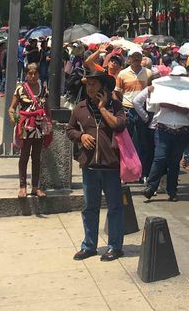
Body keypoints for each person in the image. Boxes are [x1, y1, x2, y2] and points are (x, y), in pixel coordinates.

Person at [67, 71, 127, 262]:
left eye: (93, 84)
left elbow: (119, 125)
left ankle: (115, 246)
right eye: (88, 85)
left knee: (115, 208)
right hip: (90, 166)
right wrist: (81, 136)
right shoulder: (80, 107)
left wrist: (103, 109)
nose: (89, 88)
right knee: (90, 207)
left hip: (111, 166)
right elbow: (69, 129)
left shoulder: (116, 106)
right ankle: (89, 245)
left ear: (103, 87)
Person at [139, 65, 189, 202]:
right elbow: (152, 106)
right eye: (175, 77)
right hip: (164, 128)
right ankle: (150, 187)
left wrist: (168, 104)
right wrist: (153, 94)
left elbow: (188, 109)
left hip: (183, 129)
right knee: (160, 158)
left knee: (174, 161)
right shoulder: (162, 89)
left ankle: (172, 190)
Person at [9, 63, 51, 198]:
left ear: (39, 74)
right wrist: (14, 119)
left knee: (37, 157)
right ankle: (22, 186)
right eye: (30, 73)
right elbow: (12, 108)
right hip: (25, 126)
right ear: (26, 74)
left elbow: (47, 108)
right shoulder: (20, 89)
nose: (33, 76)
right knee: (24, 155)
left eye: (35, 73)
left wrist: (49, 124)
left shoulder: (43, 90)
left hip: (39, 127)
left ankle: (35, 186)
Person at [116, 50, 153, 178]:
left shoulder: (148, 73)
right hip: (128, 109)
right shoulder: (123, 74)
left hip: (143, 110)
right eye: (134, 58)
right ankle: (127, 170)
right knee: (127, 141)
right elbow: (117, 92)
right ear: (129, 59)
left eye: (139, 58)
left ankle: (142, 172)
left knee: (144, 142)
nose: (137, 61)